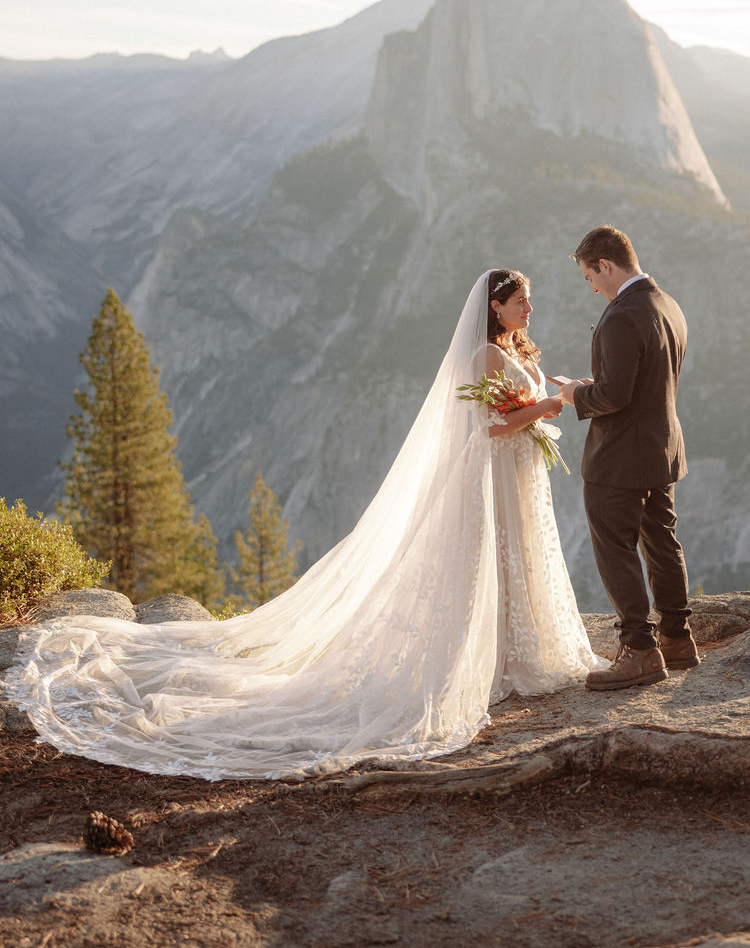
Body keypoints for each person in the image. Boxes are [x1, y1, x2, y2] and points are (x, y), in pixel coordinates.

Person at [7, 270, 602, 780]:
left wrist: (542, 400)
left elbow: (512, 414)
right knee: (488, 561)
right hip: (494, 472)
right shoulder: (484, 355)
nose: (530, 307)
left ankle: (514, 653)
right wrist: (548, 409)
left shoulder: (517, 351)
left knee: (515, 557)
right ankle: (489, 659)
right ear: (494, 305)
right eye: (521, 299)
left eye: (529, 300)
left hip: (519, 476)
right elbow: (491, 427)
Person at [558, 226, 699, 691]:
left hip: (619, 457)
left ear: (605, 265)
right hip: (662, 447)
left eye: (589, 276)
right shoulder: (668, 305)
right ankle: (678, 638)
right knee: (662, 540)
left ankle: (640, 650)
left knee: (615, 547)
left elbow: (615, 395)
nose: (592, 287)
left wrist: (578, 393)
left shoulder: (620, 316)